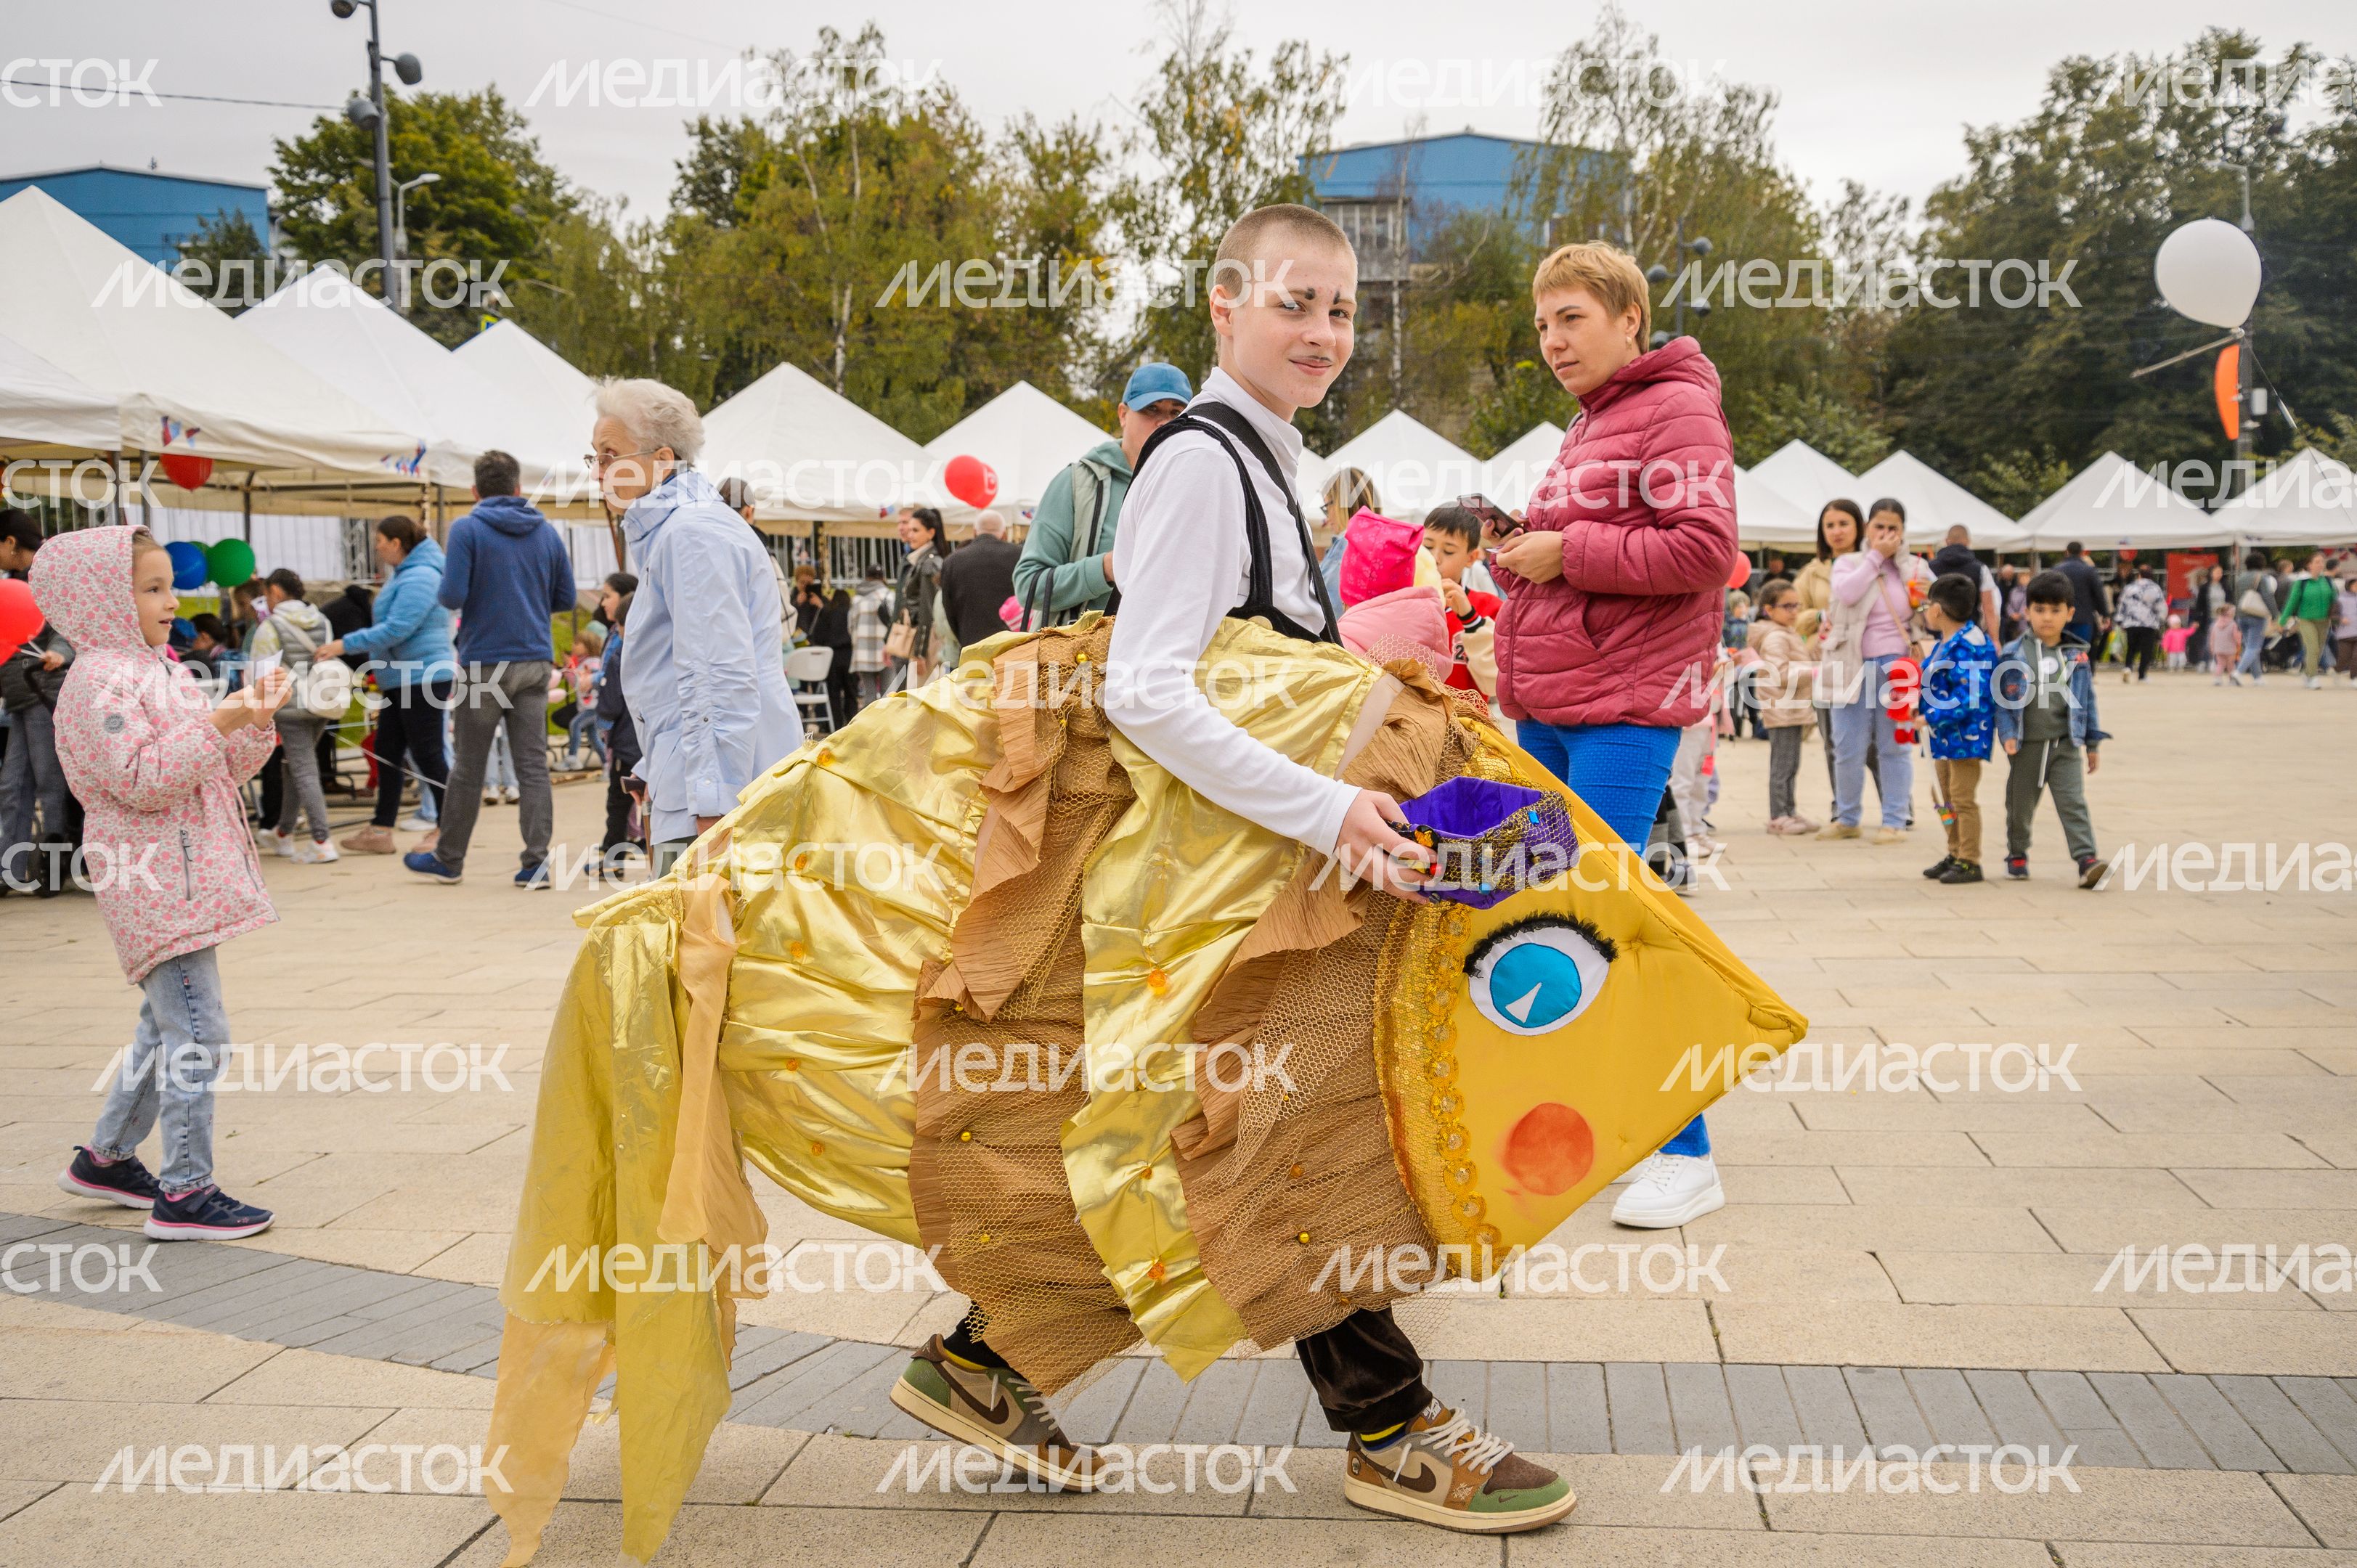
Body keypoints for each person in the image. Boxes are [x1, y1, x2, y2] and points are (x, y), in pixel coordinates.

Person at [888, 203, 1573, 1535]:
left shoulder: (1256, 458)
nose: (1322, 331)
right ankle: (1391, 1428)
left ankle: (985, 1358)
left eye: (1342, 309)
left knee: (1183, 1137)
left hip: (1237, 866)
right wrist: (1329, 810)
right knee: (1286, 1133)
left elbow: (1242, 667)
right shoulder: (1206, 462)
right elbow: (1149, 688)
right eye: (1292, 302)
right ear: (1224, 304)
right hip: (1217, 875)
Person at [1485, 240, 1737, 1234]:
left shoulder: (1675, 408)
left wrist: (1569, 551)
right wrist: (1521, 553)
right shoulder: (1594, 420)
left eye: (1572, 319)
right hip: (1555, 705)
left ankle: (1688, 1154)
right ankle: (1599, 1123)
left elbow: (1705, 550)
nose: (1552, 340)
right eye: (1543, 324)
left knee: (1606, 924)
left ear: (1630, 319)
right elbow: (1591, 554)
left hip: (1623, 711)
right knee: (1550, 917)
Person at [34, 525, 288, 1239]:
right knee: (198, 1030)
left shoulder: (158, 668)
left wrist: (251, 721)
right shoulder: (98, 681)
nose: (171, 601)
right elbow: (143, 779)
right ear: (102, 601)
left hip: (183, 874)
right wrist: (221, 719)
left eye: (169, 586)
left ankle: (108, 1158)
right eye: (152, 589)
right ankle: (185, 1191)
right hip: (153, 878)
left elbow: (212, 768)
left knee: (167, 1022)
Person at [593, 378, 799, 876]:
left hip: (717, 797)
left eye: (609, 455)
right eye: (593, 457)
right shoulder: (683, 529)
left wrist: (713, 799)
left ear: (662, 459)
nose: (598, 471)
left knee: (703, 923)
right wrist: (655, 768)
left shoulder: (692, 534)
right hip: (699, 783)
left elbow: (716, 672)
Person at [399, 452, 574, 888]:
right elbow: (566, 598)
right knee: (532, 766)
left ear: (475, 490)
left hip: (484, 664)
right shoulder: (546, 532)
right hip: (535, 660)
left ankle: (449, 860)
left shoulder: (467, 529)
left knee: (469, 766)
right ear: (518, 488)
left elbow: (451, 596)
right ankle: (536, 864)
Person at [1014, 362, 1192, 624]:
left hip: (1166, 646)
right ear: (1123, 414)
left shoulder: (1193, 489)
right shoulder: (1075, 483)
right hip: (1082, 649)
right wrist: (1107, 568)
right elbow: (1029, 585)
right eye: (1151, 409)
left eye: (1176, 412)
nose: (1164, 422)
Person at [319, 517, 453, 856]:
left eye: (380, 540)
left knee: (427, 753)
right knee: (387, 750)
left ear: (396, 543)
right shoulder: (406, 574)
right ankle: (381, 830)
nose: (376, 547)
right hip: (401, 676)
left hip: (421, 676)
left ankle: (450, 828)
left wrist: (344, 644)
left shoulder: (421, 576)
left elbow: (398, 628)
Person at [1818, 500, 1932, 844]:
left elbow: (1933, 615)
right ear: (1868, 528)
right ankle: (1847, 818)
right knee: (1846, 747)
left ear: (1903, 531)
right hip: (1849, 665)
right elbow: (1847, 594)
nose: (1885, 535)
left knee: (1894, 746)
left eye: (1892, 529)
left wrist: (1924, 600)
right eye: (1879, 527)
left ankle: (1894, 820)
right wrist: (1875, 558)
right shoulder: (1849, 563)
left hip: (1898, 667)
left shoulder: (1916, 568)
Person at [1995, 569, 2110, 887]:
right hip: (2026, 746)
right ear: (2027, 611)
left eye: (2056, 610)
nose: (2047, 617)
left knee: (2073, 803)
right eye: (2040, 609)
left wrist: (2092, 744)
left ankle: (2087, 860)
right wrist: (2007, 734)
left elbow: (2087, 701)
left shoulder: (2077, 656)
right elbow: (2001, 700)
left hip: (2065, 745)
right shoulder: (2013, 653)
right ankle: (2017, 853)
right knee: (2019, 806)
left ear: (2070, 613)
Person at [247, 569, 339, 863]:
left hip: (289, 705)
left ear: (275, 591)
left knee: (304, 770)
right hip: (322, 702)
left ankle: (322, 840)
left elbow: (260, 674)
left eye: (266, 594)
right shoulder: (322, 621)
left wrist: (258, 709)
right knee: (296, 766)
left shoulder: (271, 626)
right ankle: (283, 833)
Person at [0, 550, 72, 896]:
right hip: (19, 699)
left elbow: (63, 629)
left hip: (43, 694)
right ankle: (9, 871)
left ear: (11, 542)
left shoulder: (46, 583)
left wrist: (59, 653)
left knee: (49, 784)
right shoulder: (10, 587)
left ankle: (53, 868)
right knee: (12, 785)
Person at [1918, 573, 1996, 885]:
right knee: (1943, 795)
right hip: (1943, 736)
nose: (1925, 611)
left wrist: (1931, 716)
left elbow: (1971, 697)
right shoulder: (1946, 642)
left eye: (1926, 606)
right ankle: (1955, 851)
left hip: (1966, 736)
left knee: (1962, 797)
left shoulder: (1970, 644)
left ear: (1938, 609)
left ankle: (1970, 860)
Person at [1749, 578, 1817, 835]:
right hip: (1782, 708)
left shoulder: (1785, 632)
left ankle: (1789, 811)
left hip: (1792, 708)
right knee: (1783, 766)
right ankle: (1779, 815)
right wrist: (1815, 671)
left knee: (1791, 765)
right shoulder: (1775, 636)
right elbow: (1781, 674)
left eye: (1796, 605)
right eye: (1787, 606)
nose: (1794, 611)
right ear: (1769, 609)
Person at [1420, 504, 1500, 695]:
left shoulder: (1488, 607)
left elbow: (1496, 683)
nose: (1435, 558)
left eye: (1448, 551)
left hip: (1466, 714)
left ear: (1471, 558)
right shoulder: (1400, 601)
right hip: (1408, 714)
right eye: (1427, 547)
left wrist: (1470, 619)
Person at [717, 475, 794, 637]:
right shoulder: (761, 554)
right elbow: (784, 618)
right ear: (749, 511)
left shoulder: (699, 549)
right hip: (754, 646)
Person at [937, 508, 1022, 654]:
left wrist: (963, 637)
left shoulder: (952, 561)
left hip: (973, 646)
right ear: (1004, 534)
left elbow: (949, 608)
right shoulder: (1020, 555)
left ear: (975, 532)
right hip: (1015, 646)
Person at [893, 506, 948, 685]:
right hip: (925, 639)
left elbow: (928, 611)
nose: (910, 535)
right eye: (910, 530)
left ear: (931, 533)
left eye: (916, 530)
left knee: (920, 695)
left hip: (927, 642)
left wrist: (920, 653)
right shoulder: (923, 561)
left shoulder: (928, 564)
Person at [1926, 525, 2000, 639]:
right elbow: (1989, 608)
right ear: (1968, 542)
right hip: (1970, 635)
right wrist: (1995, 639)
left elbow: (1925, 601)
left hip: (1937, 635)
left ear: (1947, 541)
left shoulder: (1929, 567)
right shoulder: (1981, 568)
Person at [2281, 549, 2336, 687]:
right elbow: (2292, 602)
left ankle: (2307, 673)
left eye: (2322, 562)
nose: (2320, 564)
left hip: (2324, 621)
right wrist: (2282, 620)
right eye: (2317, 562)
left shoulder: (2328, 581)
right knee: (2313, 648)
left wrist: (2339, 618)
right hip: (2306, 620)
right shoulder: (2302, 582)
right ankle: (2313, 677)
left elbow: (2335, 601)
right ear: (2309, 565)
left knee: (2319, 649)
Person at [556, 624, 606, 767]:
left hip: (595, 707)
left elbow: (583, 682)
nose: (573, 645)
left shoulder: (593, 663)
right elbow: (576, 684)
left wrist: (571, 669)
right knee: (593, 737)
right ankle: (607, 763)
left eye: (577, 643)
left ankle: (572, 758)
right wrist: (568, 668)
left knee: (575, 724)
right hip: (587, 706)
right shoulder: (582, 663)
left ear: (588, 646)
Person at [2229, 549, 2280, 686]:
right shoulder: (2261, 577)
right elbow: (2268, 597)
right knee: (2254, 647)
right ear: (2262, 563)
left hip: (2241, 615)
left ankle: (2257, 677)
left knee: (2249, 647)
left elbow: (2236, 598)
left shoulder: (2240, 578)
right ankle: (2237, 673)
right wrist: (2275, 615)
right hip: (2257, 616)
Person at [847, 565, 894, 710]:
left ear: (867, 578)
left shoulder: (857, 599)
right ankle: (886, 723)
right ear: (883, 578)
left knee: (869, 695)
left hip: (862, 653)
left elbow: (850, 626)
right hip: (887, 651)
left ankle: (869, 723)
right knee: (888, 694)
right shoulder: (889, 596)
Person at [2114, 565, 2167, 682]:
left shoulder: (2130, 587)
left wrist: (2120, 619)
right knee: (2146, 649)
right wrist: (2161, 619)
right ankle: (2142, 675)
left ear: (2139, 575)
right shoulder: (2155, 588)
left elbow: (2122, 604)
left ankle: (2128, 667)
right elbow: (2161, 606)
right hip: (2149, 623)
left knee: (2131, 647)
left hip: (2131, 622)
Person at [2056, 541, 2110, 652]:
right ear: (2082, 553)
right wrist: (2105, 614)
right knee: (2081, 650)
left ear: (2067, 552)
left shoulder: (2057, 570)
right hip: (2084, 617)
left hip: (2062, 615)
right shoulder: (2089, 570)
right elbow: (2099, 594)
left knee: (2061, 649)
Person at [2186, 562, 2226, 668]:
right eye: (2217, 572)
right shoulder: (2205, 588)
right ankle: (2205, 660)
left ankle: (2217, 662)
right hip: (2210, 617)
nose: (2219, 575)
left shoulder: (2225, 586)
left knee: (2221, 641)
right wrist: (2197, 619)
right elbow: (2199, 605)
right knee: (2209, 640)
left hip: (2223, 618)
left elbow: (2230, 601)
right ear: (2211, 573)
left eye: (2221, 572)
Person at [2210, 600, 2242, 684]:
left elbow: (2212, 637)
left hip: (2218, 648)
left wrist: (2213, 648)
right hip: (2230, 649)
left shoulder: (2216, 624)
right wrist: (2239, 642)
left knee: (2220, 664)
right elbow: (2236, 636)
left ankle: (2217, 679)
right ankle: (2232, 680)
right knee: (2231, 665)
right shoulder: (2232, 624)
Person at [2334, 573, 2357, 686]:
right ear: (2349, 586)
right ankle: (2337, 670)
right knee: (2344, 657)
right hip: (2345, 634)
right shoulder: (2340, 599)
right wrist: (2340, 619)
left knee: (2356, 658)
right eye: (2355, 585)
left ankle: (2354, 678)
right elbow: (2333, 614)